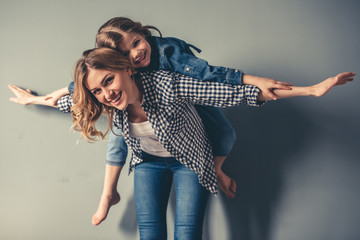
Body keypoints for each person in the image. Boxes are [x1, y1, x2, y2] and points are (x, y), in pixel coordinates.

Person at [62, 47, 353, 239]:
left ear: (127, 69)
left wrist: (311, 91)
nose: (106, 94)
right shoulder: (108, 103)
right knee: (150, 235)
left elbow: (229, 93)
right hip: (148, 165)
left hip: (190, 163)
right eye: (98, 90)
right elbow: (69, 101)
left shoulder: (168, 84)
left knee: (187, 234)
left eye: (109, 81)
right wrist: (36, 99)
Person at [8, 17, 293, 202]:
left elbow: (212, 78)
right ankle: (109, 193)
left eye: (137, 43)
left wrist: (260, 83)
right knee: (118, 131)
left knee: (223, 133)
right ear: (119, 62)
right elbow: (75, 93)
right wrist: (35, 99)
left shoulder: (169, 55)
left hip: (186, 105)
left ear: (144, 34)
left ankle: (216, 169)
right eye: (126, 54)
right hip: (133, 120)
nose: (136, 53)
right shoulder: (109, 88)